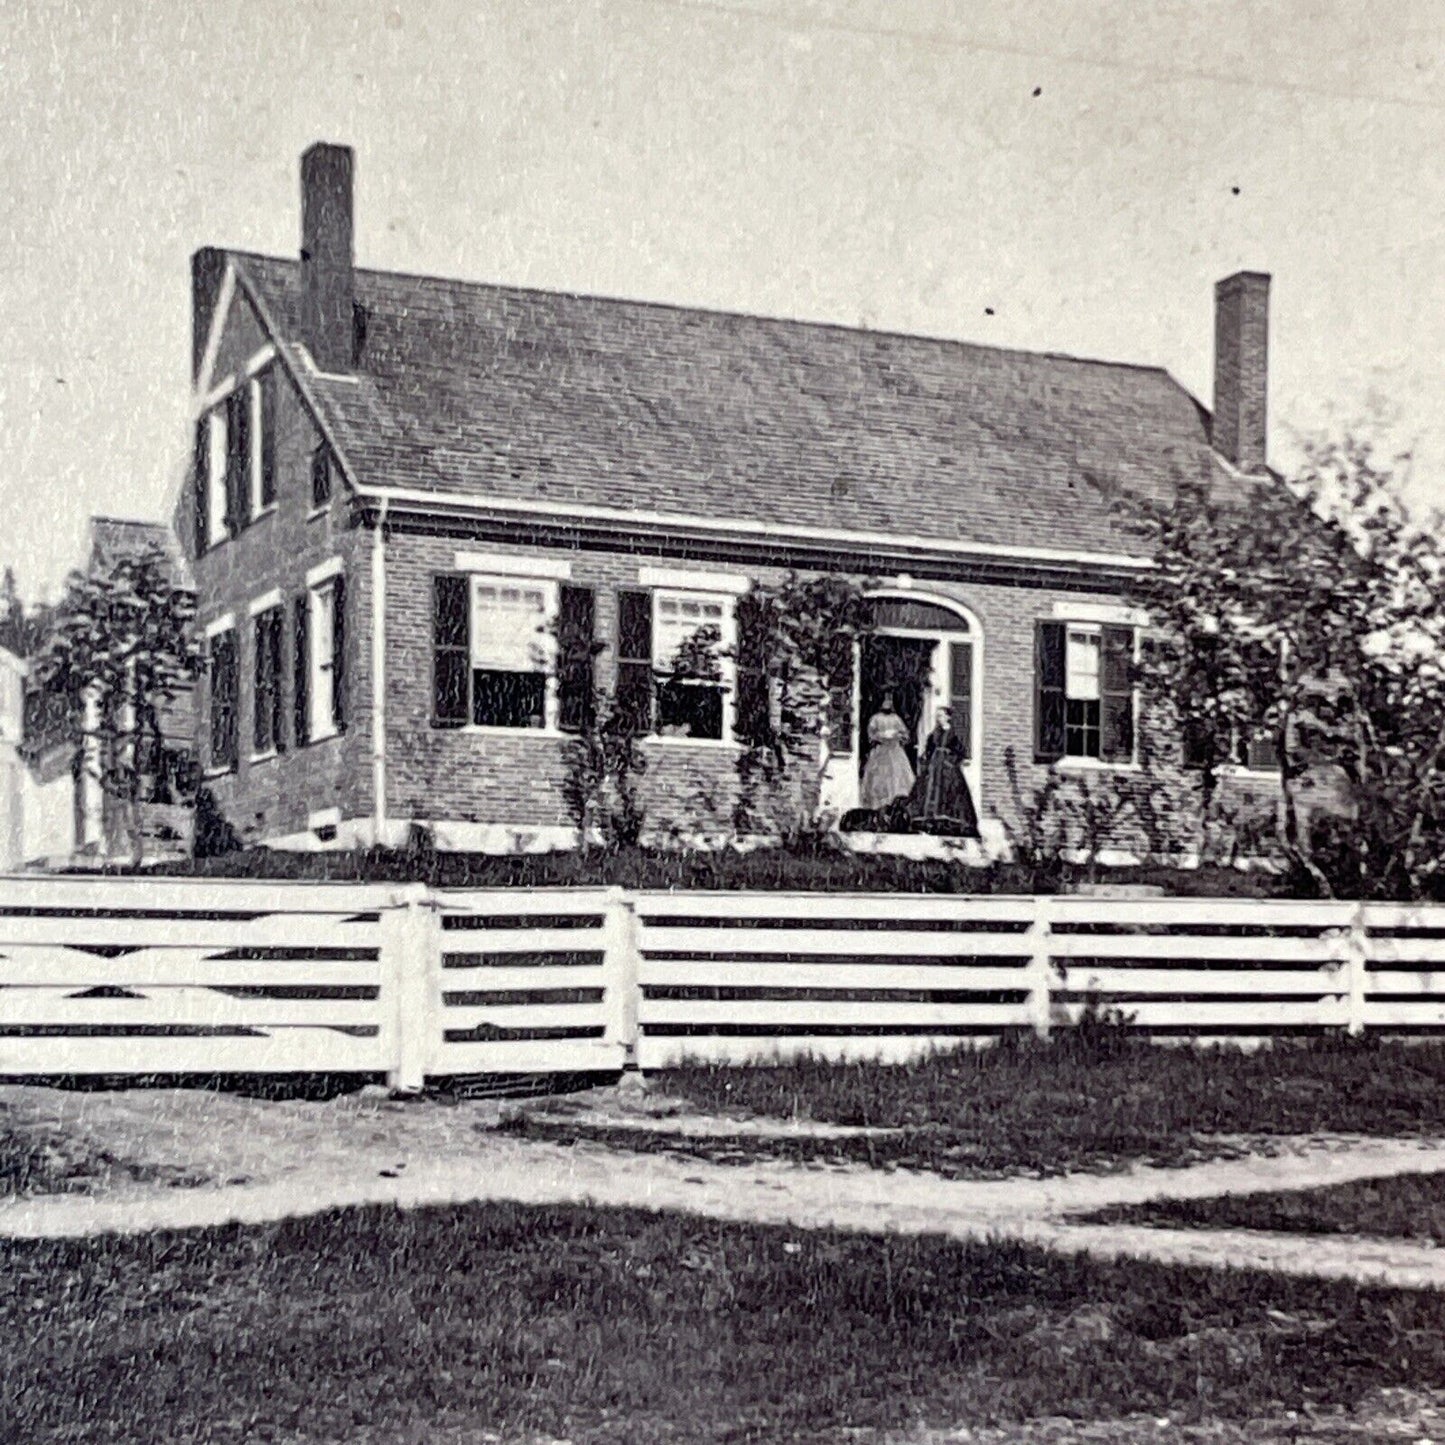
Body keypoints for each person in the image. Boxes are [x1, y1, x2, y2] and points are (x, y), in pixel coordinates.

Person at [908, 708, 980, 838]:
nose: (939, 718)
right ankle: (932, 822)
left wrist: (951, 761)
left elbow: (961, 752)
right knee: (929, 791)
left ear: (948, 717)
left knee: (950, 793)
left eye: (941, 716)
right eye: (937, 716)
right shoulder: (934, 734)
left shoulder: (954, 734)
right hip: (934, 768)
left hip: (948, 769)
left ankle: (948, 824)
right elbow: (929, 749)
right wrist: (927, 761)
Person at [859, 692, 915, 812]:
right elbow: (871, 735)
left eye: (889, 702)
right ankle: (878, 806)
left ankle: (896, 806)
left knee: (897, 779)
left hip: (895, 751)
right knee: (878, 780)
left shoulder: (896, 719)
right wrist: (881, 736)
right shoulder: (875, 718)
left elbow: (905, 735)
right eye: (885, 702)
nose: (887, 704)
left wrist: (896, 735)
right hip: (880, 752)